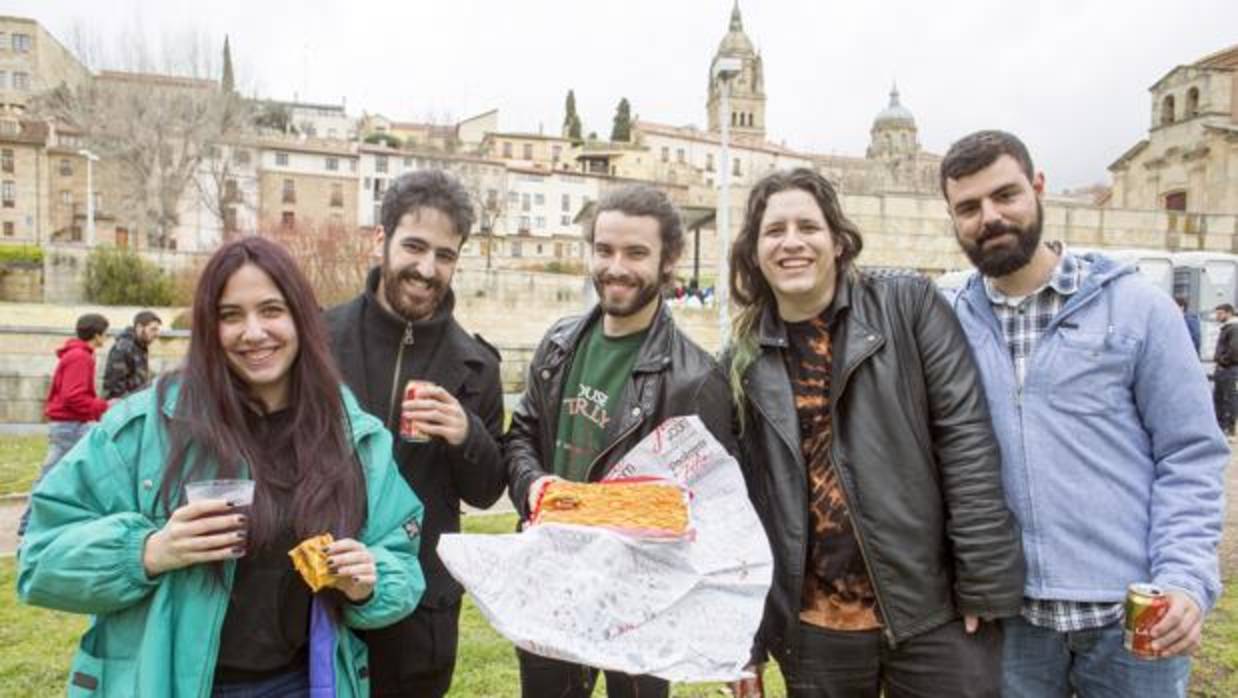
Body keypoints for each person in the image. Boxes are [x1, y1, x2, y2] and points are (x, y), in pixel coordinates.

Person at [18, 236, 425, 698]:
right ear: (209, 329)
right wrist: (148, 552)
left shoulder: (353, 435)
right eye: (231, 315)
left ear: (303, 319)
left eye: (271, 310)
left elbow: (403, 567)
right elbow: (39, 560)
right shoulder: (143, 427)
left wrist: (366, 582)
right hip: (170, 684)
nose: (253, 332)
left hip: (302, 684)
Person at [941, 130, 1227, 698]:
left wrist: (1185, 578)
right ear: (951, 219)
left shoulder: (1137, 307)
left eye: (1006, 195)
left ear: (1039, 188)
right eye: (968, 208)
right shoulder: (946, 323)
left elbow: (1189, 454)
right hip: (1009, 620)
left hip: (1133, 616)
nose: (990, 217)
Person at [722, 167, 1023, 698]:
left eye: (808, 227)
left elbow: (966, 438)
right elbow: (731, 506)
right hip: (815, 627)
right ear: (754, 251)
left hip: (932, 609)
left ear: (838, 241)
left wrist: (982, 583)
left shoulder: (906, 305)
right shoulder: (738, 364)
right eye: (774, 231)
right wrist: (742, 639)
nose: (792, 242)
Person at [505, 183, 737, 698]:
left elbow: (715, 511)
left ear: (668, 260)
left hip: (639, 599)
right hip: (550, 580)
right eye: (604, 250)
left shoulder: (697, 377)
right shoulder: (559, 344)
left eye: (636, 253)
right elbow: (520, 435)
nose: (616, 266)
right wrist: (533, 486)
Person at [325, 169, 505, 697]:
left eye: (445, 255)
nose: (427, 269)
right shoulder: (316, 338)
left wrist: (466, 435)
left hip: (422, 610)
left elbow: (486, 490)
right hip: (320, 591)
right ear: (380, 240)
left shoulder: (476, 365)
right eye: (415, 247)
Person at [17, 312, 111, 537]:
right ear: (96, 334)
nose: (106, 338)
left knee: (64, 473)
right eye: (105, 333)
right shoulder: (80, 357)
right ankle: (30, 521)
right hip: (71, 425)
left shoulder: (77, 354)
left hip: (68, 424)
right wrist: (103, 406)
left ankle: (36, 520)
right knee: (94, 467)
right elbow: (73, 397)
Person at [102, 309, 163, 399]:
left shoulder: (140, 346)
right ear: (139, 327)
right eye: (153, 329)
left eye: (157, 330)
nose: (157, 334)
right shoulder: (123, 347)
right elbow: (115, 387)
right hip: (124, 407)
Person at [1212, 303, 1238, 437]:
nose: (1217, 316)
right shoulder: (1226, 328)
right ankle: (1221, 426)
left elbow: (1234, 350)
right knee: (1219, 398)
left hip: (1229, 369)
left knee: (1228, 398)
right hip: (1223, 369)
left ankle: (1229, 427)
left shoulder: (1233, 328)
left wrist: (1222, 361)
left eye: (1220, 313)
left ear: (1229, 313)